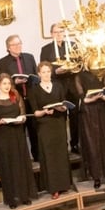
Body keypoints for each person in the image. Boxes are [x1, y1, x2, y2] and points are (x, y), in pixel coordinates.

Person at [0, 73, 37, 209]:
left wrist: (22, 118)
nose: (7, 86)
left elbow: (23, 113)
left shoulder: (16, 96)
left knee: (20, 164)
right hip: (2, 137)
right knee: (8, 167)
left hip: (17, 134)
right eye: (4, 84)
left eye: (9, 84)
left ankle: (24, 196)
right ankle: (12, 199)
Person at [27, 61, 72, 199]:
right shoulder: (34, 90)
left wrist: (62, 108)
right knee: (50, 156)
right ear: (39, 74)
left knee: (61, 154)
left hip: (58, 123)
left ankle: (65, 184)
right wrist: (44, 111)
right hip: (45, 125)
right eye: (43, 72)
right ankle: (54, 188)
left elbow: (64, 104)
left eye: (48, 71)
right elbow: (35, 112)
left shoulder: (58, 85)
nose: (46, 74)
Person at [75, 68, 105, 189]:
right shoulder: (79, 76)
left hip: (103, 110)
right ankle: (96, 177)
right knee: (93, 144)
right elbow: (82, 98)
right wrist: (92, 98)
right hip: (89, 113)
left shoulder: (101, 73)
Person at [0, 34, 39, 161]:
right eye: (14, 44)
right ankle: (23, 158)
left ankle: (37, 155)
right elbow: (3, 82)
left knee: (34, 129)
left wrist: (32, 79)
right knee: (20, 130)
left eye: (19, 43)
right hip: (15, 99)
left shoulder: (29, 57)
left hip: (30, 96)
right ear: (8, 47)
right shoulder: (2, 62)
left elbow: (35, 76)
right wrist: (15, 82)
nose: (18, 46)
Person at [40, 23, 80, 153]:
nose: (59, 34)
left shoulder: (72, 46)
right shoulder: (46, 49)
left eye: (61, 31)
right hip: (56, 86)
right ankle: (62, 144)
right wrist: (56, 71)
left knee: (75, 115)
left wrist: (71, 68)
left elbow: (79, 64)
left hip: (72, 85)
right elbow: (43, 68)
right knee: (60, 115)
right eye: (56, 32)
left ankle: (75, 143)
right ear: (51, 34)